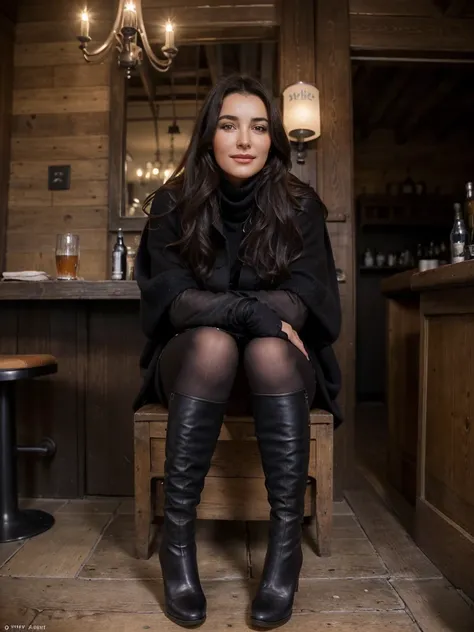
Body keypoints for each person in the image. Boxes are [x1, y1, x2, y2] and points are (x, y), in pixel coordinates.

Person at [134, 74, 342, 629]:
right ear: (209, 135)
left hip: (279, 372)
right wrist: (254, 312)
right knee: (213, 342)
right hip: (196, 367)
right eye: (229, 125)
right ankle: (177, 541)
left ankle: (284, 547)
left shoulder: (300, 205)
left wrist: (240, 309)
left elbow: (306, 303)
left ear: (273, 138)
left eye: (257, 126)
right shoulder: (171, 204)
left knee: (268, 352)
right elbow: (175, 304)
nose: (244, 139)